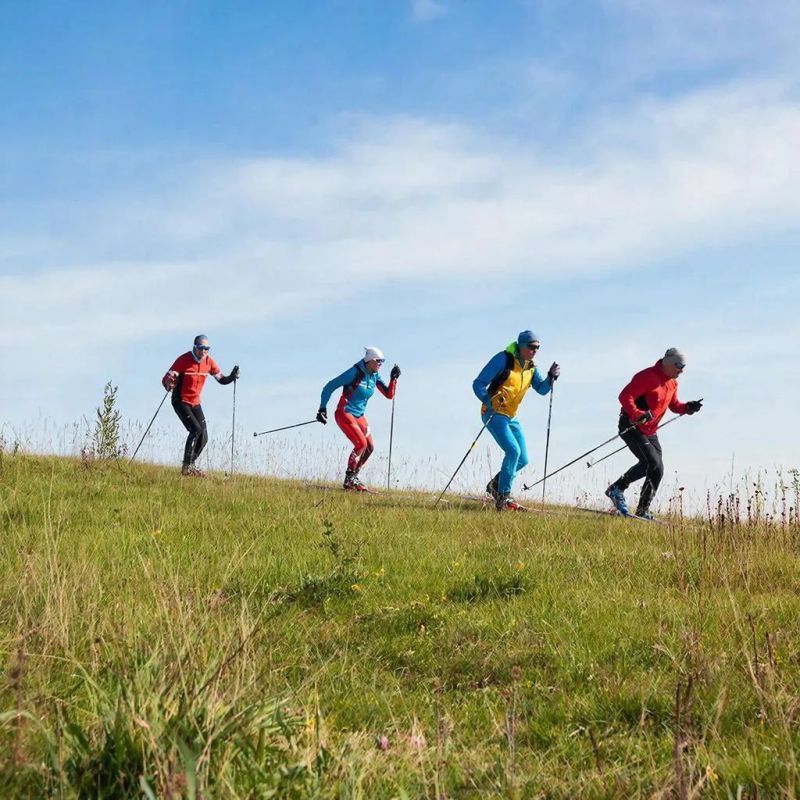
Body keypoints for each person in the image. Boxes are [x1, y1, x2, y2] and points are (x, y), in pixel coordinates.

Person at [605, 347, 702, 519]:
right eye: (679, 366)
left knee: (657, 469)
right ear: (669, 363)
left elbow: (674, 405)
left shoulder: (672, 383)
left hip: (650, 431)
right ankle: (617, 489)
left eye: (684, 367)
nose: (681, 370)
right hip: (631, 425)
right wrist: (637, 414)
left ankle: (642, 509)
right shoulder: (647, 376)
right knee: (651, 463)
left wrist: (688, 407)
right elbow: (624, 396)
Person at [472, 331, 560, 510]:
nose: (534, 350)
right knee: (513, 451)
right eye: (531, 347)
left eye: (537, 347)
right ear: (521, 346)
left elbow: (542, 390)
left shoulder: (531, 368)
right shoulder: (503, 359)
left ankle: (495, 486)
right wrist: (489, 400)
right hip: (492, 413)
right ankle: (503, 497)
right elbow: (478, 384)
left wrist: (551, 377)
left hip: (511, 416)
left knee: (523, 458)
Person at [317, 347, 400, 491]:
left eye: (382, 361)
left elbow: (388, 395)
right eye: (379, 361)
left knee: (369, 447)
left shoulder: (374, 375)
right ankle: (349, 478)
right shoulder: (354, 373)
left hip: (359, 416)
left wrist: (393, 379)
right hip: (345, 412)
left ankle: (354, 477)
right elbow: (329, 386)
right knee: (361, 444)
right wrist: (322, 408)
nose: (381, 364)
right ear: (370, 360)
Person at [162, 335, 239, 476]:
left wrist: (232, 376)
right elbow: (167, 377)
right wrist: (169, 382)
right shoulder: (184, 360)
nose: (204, 351)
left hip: (195, 402)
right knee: (195, 430)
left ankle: (191, 464)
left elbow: (221, 379)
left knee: (204, 436)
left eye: (207, 349)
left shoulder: (209, 362)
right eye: (201, 348)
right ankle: (186, 468)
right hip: (181, 401)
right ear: (195, 347)